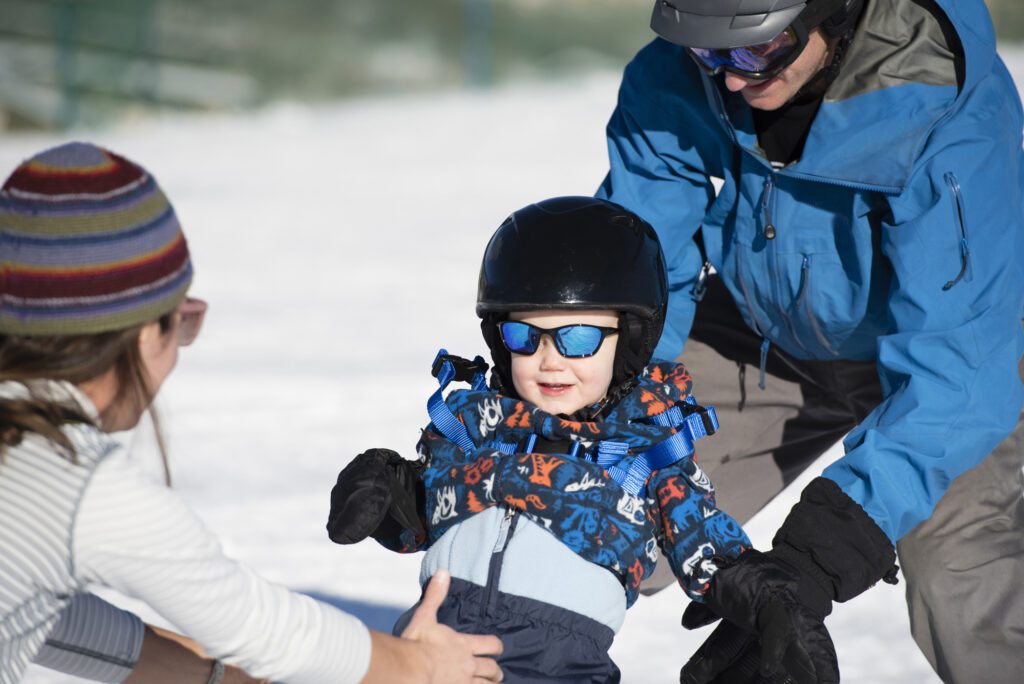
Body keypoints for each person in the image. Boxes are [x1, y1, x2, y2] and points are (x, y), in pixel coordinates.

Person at [597, 0, 1024, 682]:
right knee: (599, 496)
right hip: (766, 336)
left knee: (958, 585)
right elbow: (636, 276)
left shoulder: (942, 107)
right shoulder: (683, 76)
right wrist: (559, 434)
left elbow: (961, 370)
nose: (731, 80)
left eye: (756, 51)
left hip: (951, 359)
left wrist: (820, 553)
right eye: (709, 53)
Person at [0, 141, 504, 684]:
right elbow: (258, 626)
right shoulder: (75, 480)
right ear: (146, 332)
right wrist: (415, 666)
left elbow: (40, 619)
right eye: (183, 320)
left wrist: (220, 676)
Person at [326, 196, 752, 683]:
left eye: (577, 339)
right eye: (524, 337)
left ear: (630, 337)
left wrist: (758, 588)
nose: (550, 361)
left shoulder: (645, 453)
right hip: (428, 654)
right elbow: (424, 526)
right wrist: (393, 495)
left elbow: (703, 537)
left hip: (557, 668)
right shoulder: (475, 427)